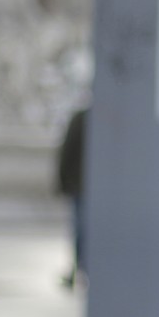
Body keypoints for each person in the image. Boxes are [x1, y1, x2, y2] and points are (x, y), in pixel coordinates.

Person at [57, 107, 88, 288]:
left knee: (80, 229)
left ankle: (80, 268)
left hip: (80, 186)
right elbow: (68, 151)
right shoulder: (82, 118)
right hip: (81, 186)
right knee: (81, 230)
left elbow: (66, 151)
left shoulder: (82, 118)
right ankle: (80, 268)